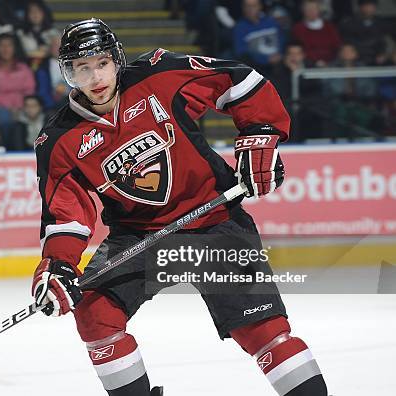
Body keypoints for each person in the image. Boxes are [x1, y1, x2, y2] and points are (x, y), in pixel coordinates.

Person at [32, 19, 329, 396]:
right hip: (141, 237)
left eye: (102, 63)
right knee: (95, 315)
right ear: (68, 74)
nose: (95, 77)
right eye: (82, 68)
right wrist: (58, 265)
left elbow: (239, 81)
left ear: (117, 60)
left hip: (216, 222)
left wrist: (261, 134)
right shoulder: (57, 140)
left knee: (264, 333)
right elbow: (66, 214)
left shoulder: (158, 75)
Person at [0, 32, 35, 132]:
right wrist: (10, 107)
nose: (5, 49)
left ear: (14, 48)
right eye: (2, 45)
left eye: (9, 45)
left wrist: (19, 106)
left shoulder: (23, 68)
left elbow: (29, 90)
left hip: (23, 106)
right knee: (4, 119)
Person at [233, 0, 284, 75]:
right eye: (247, 6)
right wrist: (266, 60)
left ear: (260, 6)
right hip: (257, 68)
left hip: (280, 63)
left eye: (254, 6)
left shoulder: (272, 22)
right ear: (243, 8)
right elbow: (242, 53)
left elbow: (283, 40)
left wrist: (281, 54)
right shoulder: (240, 28)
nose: (250, 9)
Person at [291, 0, 341, 66]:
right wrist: (315, 62)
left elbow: (337, 46)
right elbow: (299, 50)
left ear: (319, 10)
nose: (311, 11)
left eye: (314, 9)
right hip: (307, 64)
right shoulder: (298, 29)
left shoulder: (330, 28)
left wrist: (327, 62)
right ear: (303, 11)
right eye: (308, 9)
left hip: (331, 63)